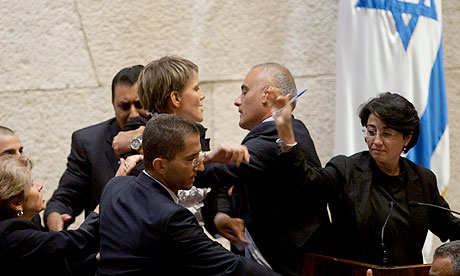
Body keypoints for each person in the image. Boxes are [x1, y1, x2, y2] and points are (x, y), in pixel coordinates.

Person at [269, 90, 460, 266]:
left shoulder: (422, 179)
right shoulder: (346, 170)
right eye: (371, 131)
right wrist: (286, 135)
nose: (376, 141)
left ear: (407, 138)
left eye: (386, 133)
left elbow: (450, 227)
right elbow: (306, 184)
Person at [97, 114, 280, 276]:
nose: (200, 167)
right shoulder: (171, 217)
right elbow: (230, 266)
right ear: (160, 165)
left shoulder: (115, 186)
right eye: (191, 159)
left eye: (199, 156)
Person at [195, 63, 327, 276]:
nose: (237, 100)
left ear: (267, 95)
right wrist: (223, 213)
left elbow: (209, 173)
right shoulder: (272, 135)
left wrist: (160, 155)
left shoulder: (274, 140)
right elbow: (229, 182)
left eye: (244, 91)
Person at [123, 56, 249, 224]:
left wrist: (221, 217)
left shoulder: (196, 133)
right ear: (176, 98)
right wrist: (208, 157)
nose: (202, 95)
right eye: (196, 89)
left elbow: (210, 183)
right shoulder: (135, 132)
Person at [45, 65, 148, 231]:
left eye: (140, 104)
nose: (133, 114)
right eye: (124, 106)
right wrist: (56, 222)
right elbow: (65, 198)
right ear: (113, 105)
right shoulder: (88, 142)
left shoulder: (173, 137)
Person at [0, 154, 99, 276]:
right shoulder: (12, 236)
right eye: (31, 185)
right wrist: (100, 210)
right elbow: (77, 241)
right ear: (16, 203)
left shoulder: (30, 223)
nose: (39, 186)